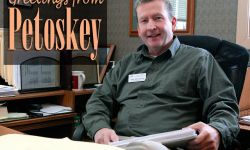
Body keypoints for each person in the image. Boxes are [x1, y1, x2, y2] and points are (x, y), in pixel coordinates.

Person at [83, 0, 239, 149]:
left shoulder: (199, 60)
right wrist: (100, 129)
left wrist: (217, 131)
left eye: (158, 18)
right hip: (120, 144)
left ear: (172, 22)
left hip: (168, 146)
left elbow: (225, 107)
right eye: (144, 21)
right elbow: (98, 101)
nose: (151, 26)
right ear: (139, 29)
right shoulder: (126, 64)